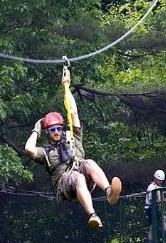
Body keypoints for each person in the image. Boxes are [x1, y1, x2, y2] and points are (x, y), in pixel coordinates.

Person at [25, 67, 121, 229]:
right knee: (77, 178)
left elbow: (73, 113)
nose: (56, 132)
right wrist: (36, 130)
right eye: (52, 130)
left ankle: (109, 192)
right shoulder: (46, 151)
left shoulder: (73, 137)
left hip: (83, 175)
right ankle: (93, 215)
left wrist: (66, 87)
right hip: (66, 184)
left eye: (58, 128)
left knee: (89, 162)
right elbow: (28, 149)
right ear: (48, 132)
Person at [145, 170, 166, 243]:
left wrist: (165, 194)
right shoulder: (151, 187)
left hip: (156, 208)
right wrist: (164, 201)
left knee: (156, 225)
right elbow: (153, 200)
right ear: (155, 179)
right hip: (150, 208)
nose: (160, 182)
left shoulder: (159, 187)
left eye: (161, 181)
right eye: (159, 180)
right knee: (155, 225)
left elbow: (160, 196)